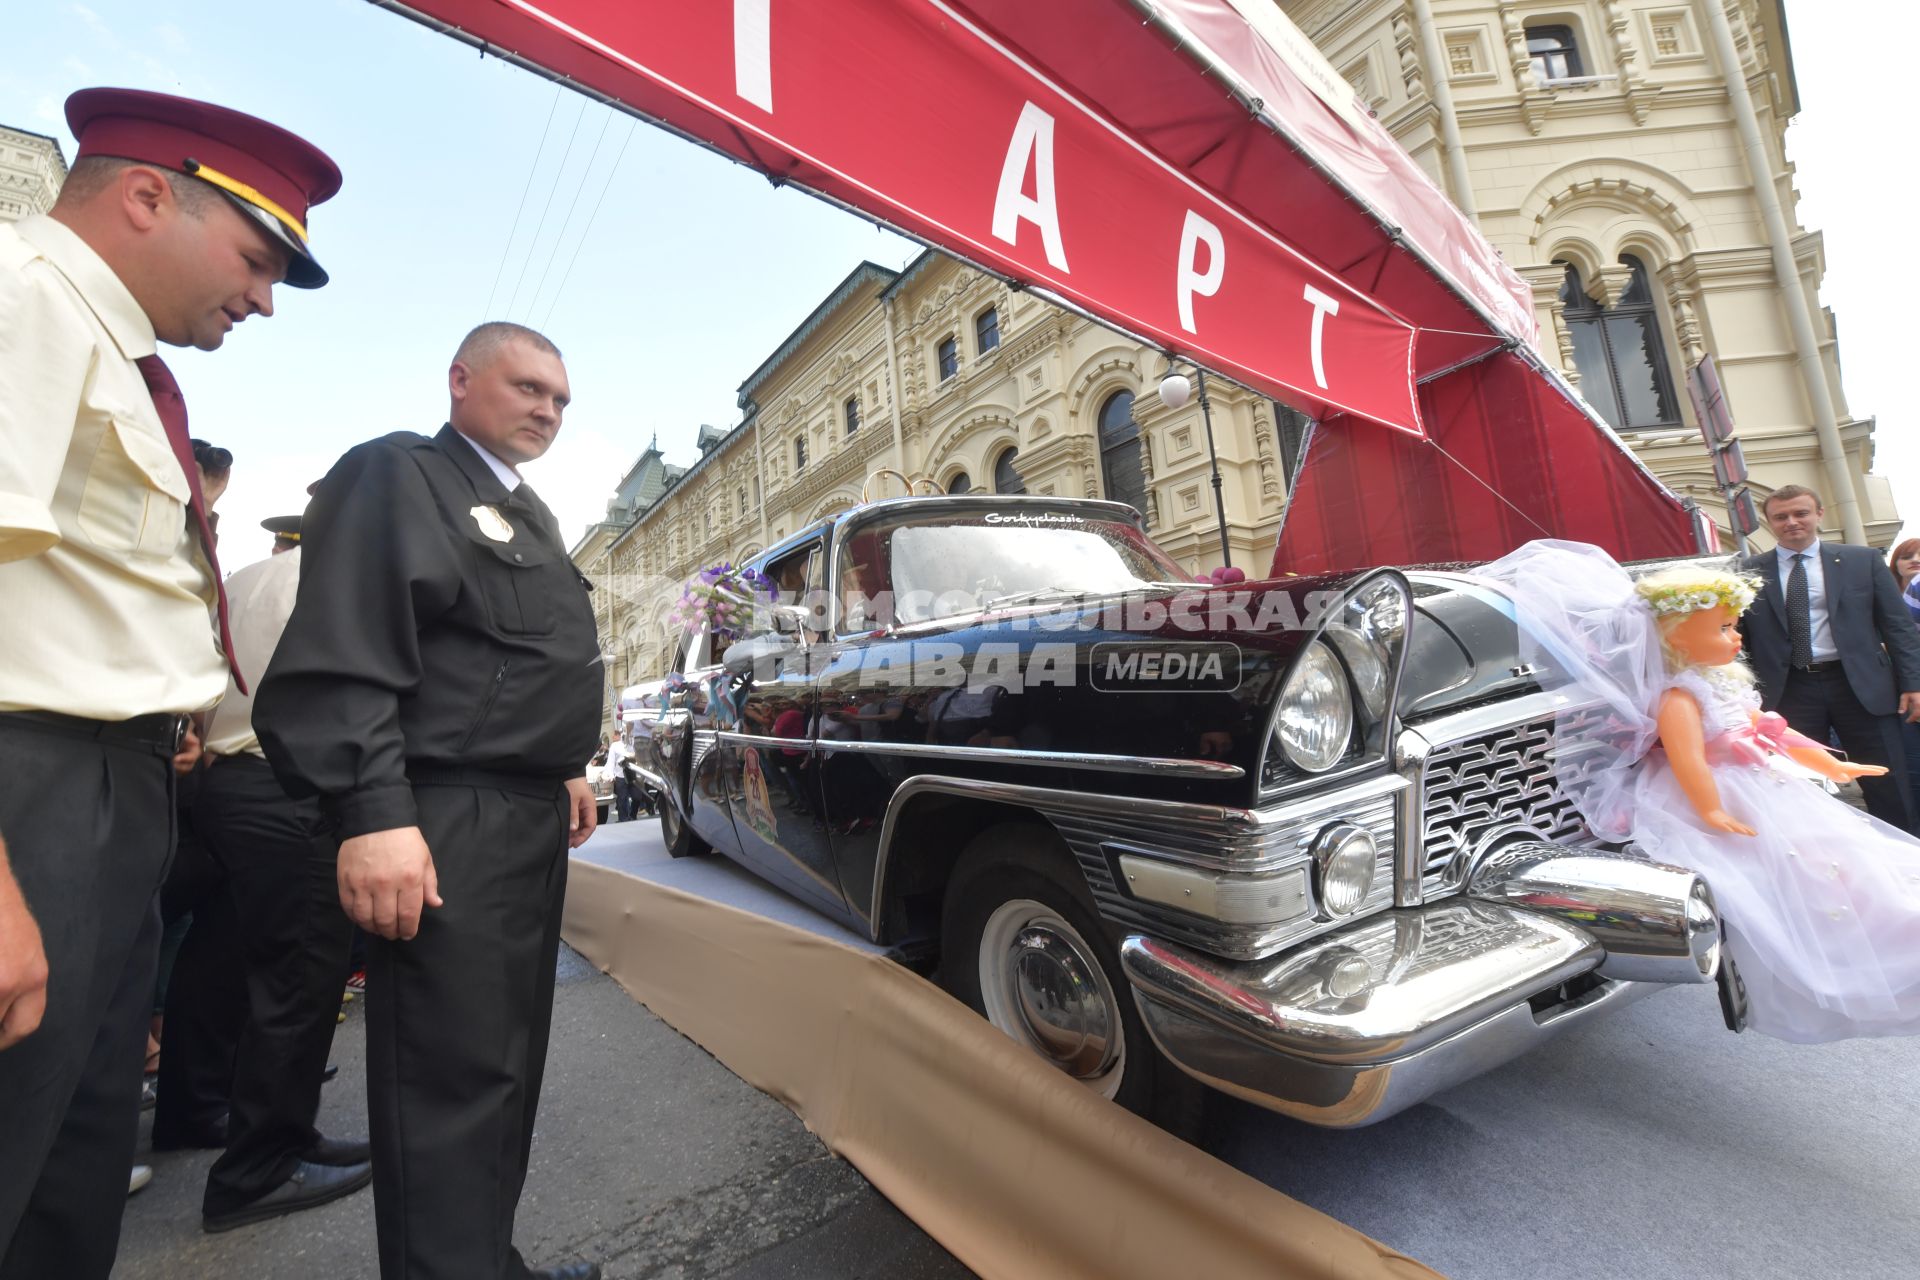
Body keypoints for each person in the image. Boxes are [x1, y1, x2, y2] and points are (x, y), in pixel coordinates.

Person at [0, 87, 338, 1279]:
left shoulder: (106, 347)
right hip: (30, 788)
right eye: (255, 259)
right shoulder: (22, 294)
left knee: (68, 1170)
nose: (258, 297)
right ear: (147, 193)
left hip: (111, 789)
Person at [254, 321, 603, 1280]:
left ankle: (481, 1258)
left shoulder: (524, 511)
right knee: (451, 1079)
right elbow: (349, 651)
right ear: (460, 381)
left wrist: (563, 761)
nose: (547, 411)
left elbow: (495, 658)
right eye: (528, 387)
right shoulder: (400, 475)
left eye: (561, 399)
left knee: (505, 1069)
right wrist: (374, 812)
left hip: (521, 812)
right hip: (446, 815)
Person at [1477, 542, 1920, 1042]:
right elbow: (1688, 760)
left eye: (1734, 627)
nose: (1736, 638)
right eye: (1724, 628)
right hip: (1720, 793)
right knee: (1786, 874)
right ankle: (1847, 948)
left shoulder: (1724, 685)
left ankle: (1891, 926)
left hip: (1761, 787)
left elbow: (1775, 732)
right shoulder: (1679, 697)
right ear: (1677, 637)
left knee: (1840, 858)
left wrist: (1835, 764)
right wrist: (1710, 809)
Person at [184, 512, 375, 1232]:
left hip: (224, 782)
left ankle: (200, 1111)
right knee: (297, 977)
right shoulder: (336, 579)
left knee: (223, 962)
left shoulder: (237, 581)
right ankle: (258, 1167)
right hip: (286, 785)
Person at [1737, 486, 1920, 832]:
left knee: (1887, 780)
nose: (1792, 522)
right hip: (1789, 689)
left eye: (1801, 513)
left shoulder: (1861, 561)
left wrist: (1913, 682)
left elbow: (1897, 627)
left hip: (1861, 686)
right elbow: (1740, 640)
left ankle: (1906, 857)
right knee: (1804, 784)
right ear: (1769, 522)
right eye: (1781, 516)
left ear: (1819, 514)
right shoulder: (1749, 571)